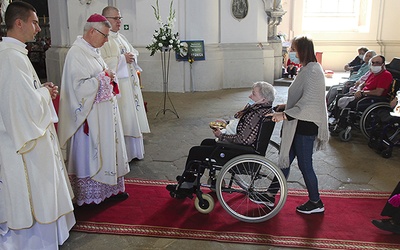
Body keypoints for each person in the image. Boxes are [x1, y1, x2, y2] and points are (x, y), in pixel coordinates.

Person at [0, 2, 75, 249]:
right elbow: (20, 107)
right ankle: (34, 242)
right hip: (22, 141)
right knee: (34, 190)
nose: (38, 28)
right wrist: (43, 95)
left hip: (27, 131)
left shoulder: (16, 53)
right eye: (34, 22)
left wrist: (40, 90)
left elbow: (22, 96)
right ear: (18, 23)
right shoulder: (11, 58)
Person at [57, 13, 130, 206]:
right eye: (105, 36)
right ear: (92, 31)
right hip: (88, 119)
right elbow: (78, 87)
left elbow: (101, 74)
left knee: (108, 149)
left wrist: (108, 75)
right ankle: (90, 195)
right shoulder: (76, 53)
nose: (107, 40)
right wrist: (103, 78)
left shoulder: (93, 50)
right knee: (92, 154)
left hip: (103, 115)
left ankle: (110, 190)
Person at [166, 81, 276, 195]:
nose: (250, 96)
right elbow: (243, 127)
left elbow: (244, 139)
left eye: (253, 94)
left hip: (239, 151)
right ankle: (190, 180)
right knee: (205, 143)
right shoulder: (261, 110)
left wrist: (222, 135)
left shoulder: (256, 114)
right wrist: (226, 123)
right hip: (244, 148)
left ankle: (186, 185)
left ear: (263, 99)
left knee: (195, 152)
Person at [267, 35, 329, 214]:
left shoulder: (313, 71)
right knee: (285, 161)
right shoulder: (307, 69)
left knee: (305, 165)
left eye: (293, 49)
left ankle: (316, 202)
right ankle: (270, 195)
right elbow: (303, 97)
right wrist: (285, 106)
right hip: (298, 124)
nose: (291, 52)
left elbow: (310, 103)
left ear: (302, 50)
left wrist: (284, 115)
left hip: (305, 126)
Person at [100, 6, 150, 161]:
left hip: (130, 84)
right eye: (115, 18)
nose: (119, 21)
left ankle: (134, 152)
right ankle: (124, 155)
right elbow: (102, 63)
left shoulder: (120, 37)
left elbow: (134, 51)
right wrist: (122, 60)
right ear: (106, 19)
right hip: (119, 87)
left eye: (120, 18)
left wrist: (131, 56)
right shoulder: (104, 39)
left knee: (131, 117)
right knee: (124, 118)